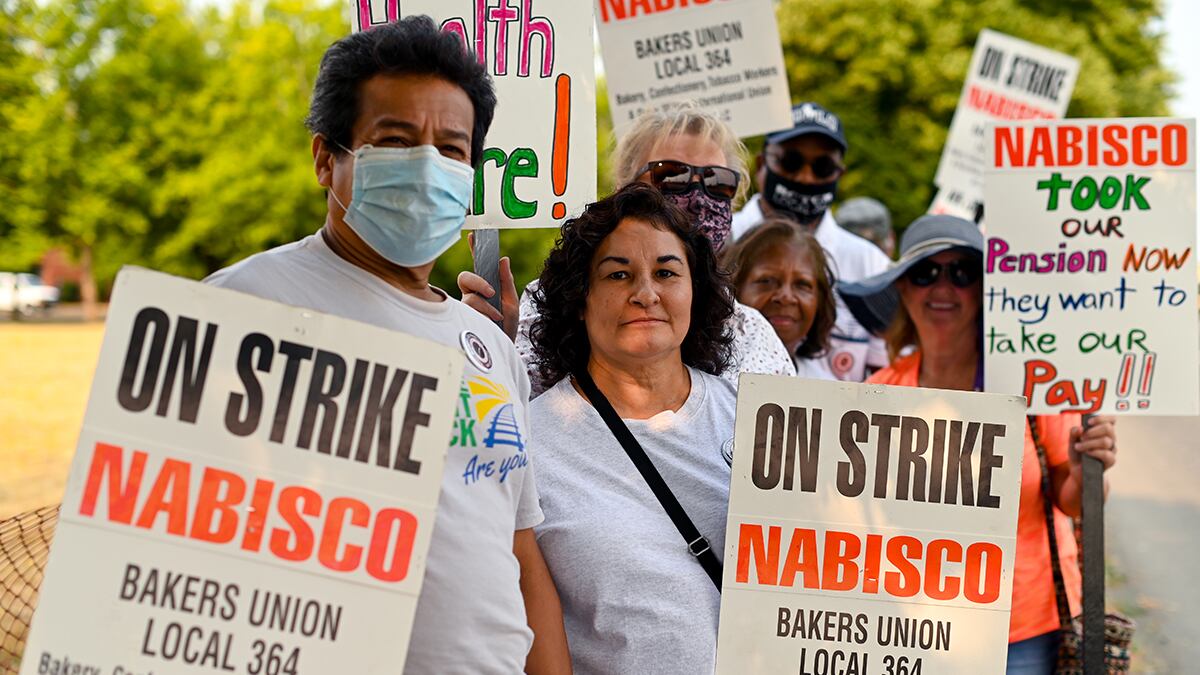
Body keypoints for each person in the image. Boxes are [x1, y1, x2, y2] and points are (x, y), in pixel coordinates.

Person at [203, 17, 570, 674]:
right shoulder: (243, 307)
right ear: (326, 158)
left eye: (451, 149)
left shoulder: (488, 346)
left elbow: (517, 550)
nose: (428, 167)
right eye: (396, 141)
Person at [838, 214, 1119, 674]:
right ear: (904, 289)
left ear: (984, 290)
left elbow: (1072, 501)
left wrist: (1090, 467)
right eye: (926, 273)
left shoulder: (1032, 383)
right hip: (910, 631)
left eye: (963, 273)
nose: (942, 287)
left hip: (1021, 633)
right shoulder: (878, 394)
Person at [526, 184, 737, 674]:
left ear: (695, 291)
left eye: (666, 272)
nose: (645, 294)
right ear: (580, 298)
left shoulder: (755, 420)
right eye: (618, 274)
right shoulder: (529, 445)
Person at [460, 104, 795, 396]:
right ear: (625, 190)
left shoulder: (751, 333)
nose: (696, 196)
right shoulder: (556, 304)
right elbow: (505, 412)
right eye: (671, 175)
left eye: (717, 180)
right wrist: (491, 347)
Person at [731, 102, 891, 382]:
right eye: (790, 162)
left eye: (822, 167)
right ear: (761, 164)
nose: (805, 177)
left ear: (839, 174)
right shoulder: (719, 240)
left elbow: (887, 369)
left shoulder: (871, 263)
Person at [721, 217, 838, 379]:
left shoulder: (827, 388)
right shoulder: (707, 379)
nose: (785, 297)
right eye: (766, 281)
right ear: (733, 288)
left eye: (802, 284)